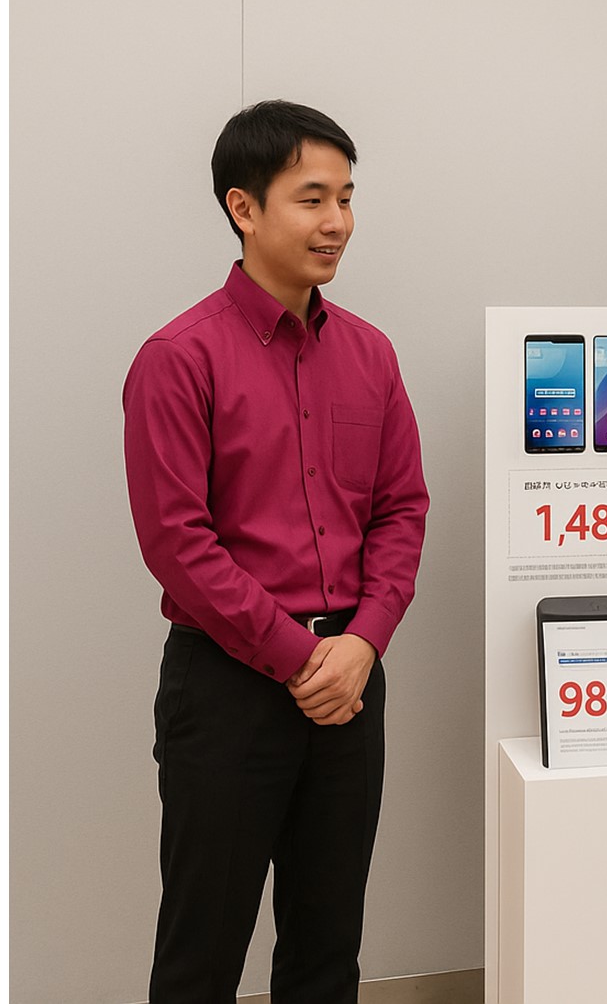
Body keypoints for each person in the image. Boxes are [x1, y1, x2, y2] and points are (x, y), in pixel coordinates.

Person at [123, 100, 429, 1003]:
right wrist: (301, 657)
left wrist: (363, 642)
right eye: (312, 198)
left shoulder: (372, 355)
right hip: (228, 690)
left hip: (352, 683)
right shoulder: (178, 358)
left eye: (346, 197)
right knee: (201, 955)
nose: (337, 221)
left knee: (328, 952)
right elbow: (177, 542)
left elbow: (401, 509)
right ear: (244, 207)